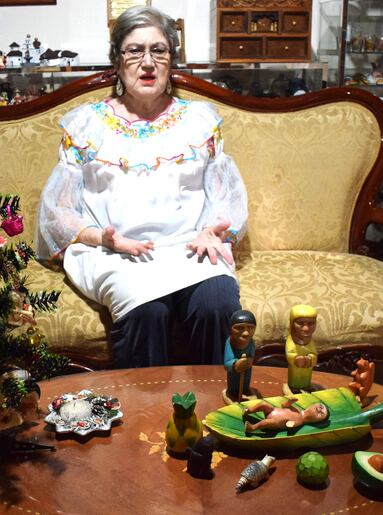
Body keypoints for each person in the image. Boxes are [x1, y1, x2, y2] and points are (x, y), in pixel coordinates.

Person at [37, 6, 248, 368]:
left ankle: (216, 400)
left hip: (189, 246)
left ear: (171, 61)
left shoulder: (199, 121)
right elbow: (59, 210)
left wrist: (213, 230)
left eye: (159, 51)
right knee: (146, 310)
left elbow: (224, 194)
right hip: (116, 253)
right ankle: (144, 404)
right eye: (135, 51)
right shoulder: (86, 125)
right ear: (117, 62)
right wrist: (100, 238)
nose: (147, 62)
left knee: (217, 303)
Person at [283, 304, 318, 395]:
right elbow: (289, 353)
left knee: (306, 382)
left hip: (307, 371)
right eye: (300, 323)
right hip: (295, 373)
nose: (306, 328)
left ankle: (306, 387)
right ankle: (293, 389)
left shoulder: (310, 341)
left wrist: (310, 358)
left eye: (310, 324)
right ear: (292, 324)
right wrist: (295, 358)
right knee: (294, 382)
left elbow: (314, 354)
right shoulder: (291, 340)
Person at [223, 310, 257, 403]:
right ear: (231, 329)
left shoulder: (251, 342)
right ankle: (232, 393)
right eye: (239, 328)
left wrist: (249, 361)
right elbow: (227, 363)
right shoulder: (230, 342)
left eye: (250, 328)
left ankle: (245, 391)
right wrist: (235, 364)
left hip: (246, 370)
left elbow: (252, 356)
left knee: (245, 383)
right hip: (234, 373)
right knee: (233, 385)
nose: (246, 333)